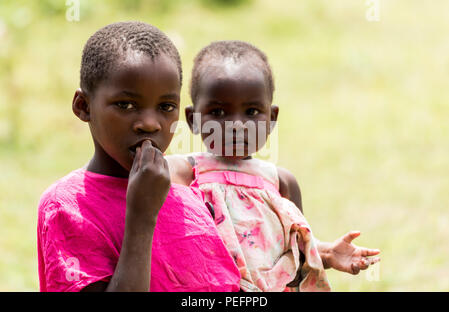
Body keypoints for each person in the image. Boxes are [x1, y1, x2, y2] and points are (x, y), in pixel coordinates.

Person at [36, 22, 241, 292]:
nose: (149, 124)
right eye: (126, 105)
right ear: (83, 106)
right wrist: (142, 217)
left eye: (166, 107)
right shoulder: (67, 208)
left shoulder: (192, 190)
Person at [167, 40, 380, 292]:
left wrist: (328, 253)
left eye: (252, 111)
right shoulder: (182, 172)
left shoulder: (280, 182)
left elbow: (293, 253)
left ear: (272, 118)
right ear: (193, 119)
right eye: (219, 112)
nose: (237, 124)